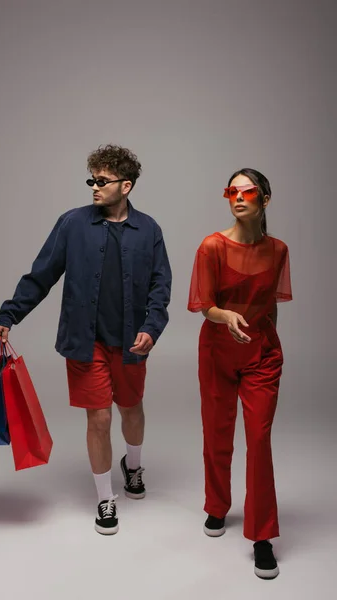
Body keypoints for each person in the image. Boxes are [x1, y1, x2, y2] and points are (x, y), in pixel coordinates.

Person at [0, 144, 172, 535]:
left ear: (126, 186)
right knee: (99, 417)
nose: (93, 187)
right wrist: (11, 313)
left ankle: (134, 466)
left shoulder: (149, 230)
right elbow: (42, 274)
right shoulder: (72, 224)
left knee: (132, 410)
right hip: (83, 340)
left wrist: (151, 328)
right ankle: (106, 499)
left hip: (130, 343)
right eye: (91, 179)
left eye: (102, 181)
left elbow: (161, 286)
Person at [188, 168, 292, 579]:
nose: (238, 197)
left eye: (248, 191)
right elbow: (204, 304)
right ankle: (217, 506)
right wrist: (223, 315)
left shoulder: (279, 250)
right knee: (216, 433)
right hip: (216, 350)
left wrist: (268, 342)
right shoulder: (210, 246)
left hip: (262, 355)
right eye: (232, 190)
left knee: (259, 440)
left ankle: (262, 536)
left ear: (265, 199)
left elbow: (272, 306)